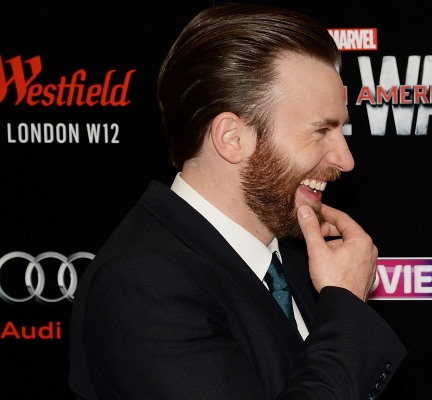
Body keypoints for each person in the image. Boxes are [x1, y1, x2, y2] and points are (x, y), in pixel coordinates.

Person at [69, 3, 405, 399]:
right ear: (232, 138)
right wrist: (345, 302)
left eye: (341, 130)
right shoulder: (142, 286)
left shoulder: (298, 258)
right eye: (320, 131)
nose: (345, 160)